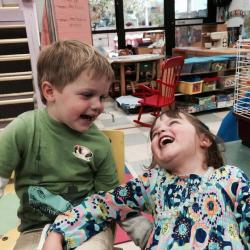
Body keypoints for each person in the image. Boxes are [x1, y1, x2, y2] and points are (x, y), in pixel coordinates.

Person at [0, 40, 151, 250]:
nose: (98, 106)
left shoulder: (99, 143)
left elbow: (112, 198)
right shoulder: (23, 129)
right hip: (36, 229)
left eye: (102, 97)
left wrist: (146, 234)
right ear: (50, 92)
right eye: (87, 95)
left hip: (90, 224)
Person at [39, 110, 249, 249]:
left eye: (173, 123)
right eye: (154, 133)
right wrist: (58, 231)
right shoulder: (153, 181)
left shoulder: (230, 177)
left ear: (205, 139)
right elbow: (102, 204)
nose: (160, 131)